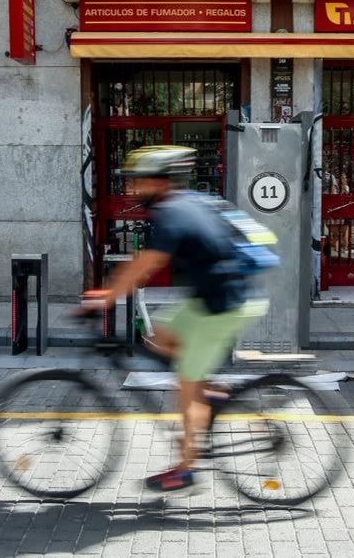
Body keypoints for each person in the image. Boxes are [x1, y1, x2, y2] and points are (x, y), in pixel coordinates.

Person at [78, 145, 267, 492]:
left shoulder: (173, 213)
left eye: (138, 182)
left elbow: (145, 264)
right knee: (157, 338)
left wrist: (106, 295)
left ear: (158, 181)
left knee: (186, 386)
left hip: (223, 304)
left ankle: (186, 469)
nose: (133, 189)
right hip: (208, 298)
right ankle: (212, 393)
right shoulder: (187, 202)